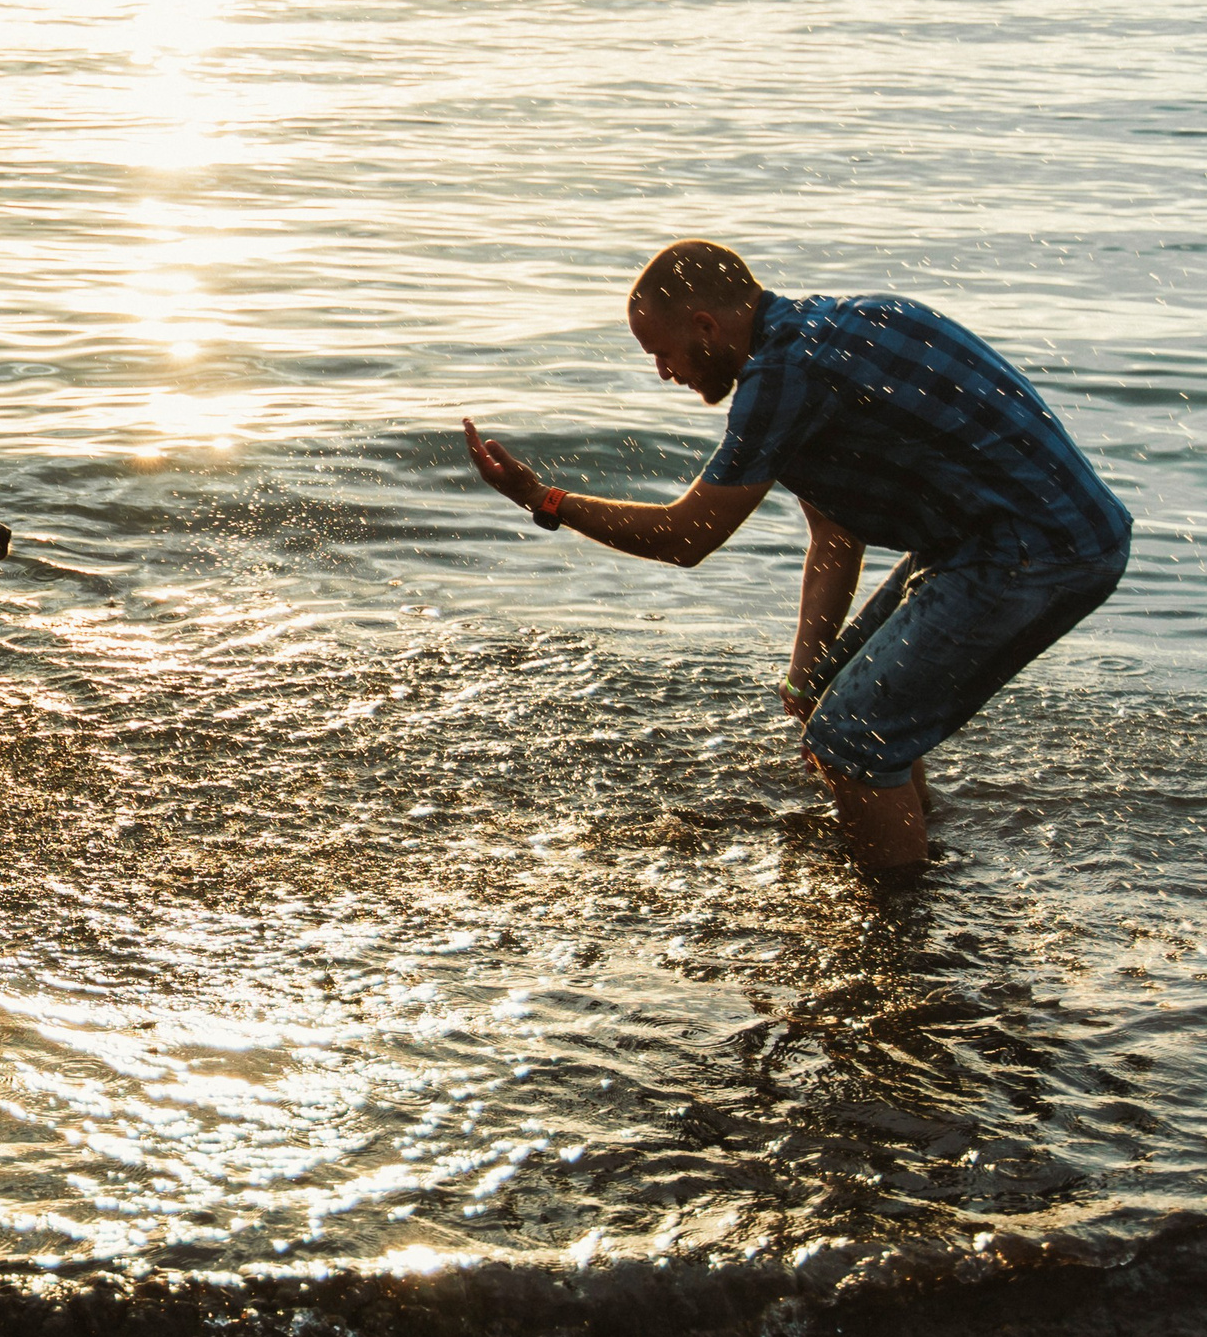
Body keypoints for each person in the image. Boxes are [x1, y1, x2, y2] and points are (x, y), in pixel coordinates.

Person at [463, 240, 1131, 871]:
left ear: (704, 327)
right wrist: (806, 674)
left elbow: (685, 537)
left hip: (1037, 548)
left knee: (853, 739)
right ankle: (925, 854)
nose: (663, 372)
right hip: (1008, 537)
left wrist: (543, 498)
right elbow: (835, 535)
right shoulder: (823, 334)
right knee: (842, 708)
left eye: (663, 354)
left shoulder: (784, 372)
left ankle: (897, 921)